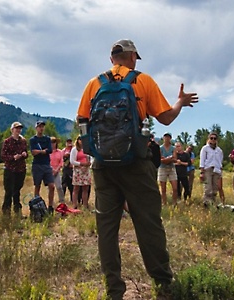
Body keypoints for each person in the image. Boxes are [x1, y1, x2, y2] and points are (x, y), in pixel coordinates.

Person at [77, 39, 198, 299]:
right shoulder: (142, 81)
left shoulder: (93, 84)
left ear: (112, 59)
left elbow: (82, 121)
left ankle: (114, 289)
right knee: (148, 223)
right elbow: (165, 117)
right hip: (135, 163)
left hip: (102, 166)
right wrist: (179, 102)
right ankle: (163, 284)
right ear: (132, 57)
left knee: (107, 228)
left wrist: (95, 152)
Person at [0, 121, 28, 216]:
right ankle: (6, 213)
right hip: (10, 169)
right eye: (16, 128)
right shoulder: (7, 141)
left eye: (20, 128)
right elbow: (3, 156)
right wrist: (13, 157)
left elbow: (26, 153)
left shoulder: (23, 141)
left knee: (17, 191)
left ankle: (17, 212)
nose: (18, 130)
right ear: (12, 130)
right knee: (9, 192)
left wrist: (24, 154)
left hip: (21, 169)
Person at [30, 120, 55, 215]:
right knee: (37, 185)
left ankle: (50, 206)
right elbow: (33, 152)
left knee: (51, 186)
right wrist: (43, 151)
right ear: (36, 128)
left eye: (42, 126)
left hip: (46, 164)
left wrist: (40, 152)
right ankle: (36, 206)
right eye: (39, 126)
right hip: (37, 165)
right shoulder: (33, 140)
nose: (41, 128)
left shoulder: (47, 139)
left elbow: (50, 150)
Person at [199, 132, 225, 207]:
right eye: (211, 138)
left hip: (216, 170)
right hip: (208, 169)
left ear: (217, 140)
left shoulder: (219, 150)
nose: (213, 140)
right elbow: (202, 160)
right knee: (208, 188)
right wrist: (202, 172)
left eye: (215, 138)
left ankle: (212, 204)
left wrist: (220, 172)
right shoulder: (205, 148)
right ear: (209, 139)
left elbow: (220, 161)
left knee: (214, 189)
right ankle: (206, 204)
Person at [70, 136, 91, 209]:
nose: (81, 141)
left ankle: (85, 205)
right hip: (78, 170)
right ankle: (74, 205)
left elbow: (90, 158)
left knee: (86, 188)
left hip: (86, 170)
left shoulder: (87, 148)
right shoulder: (74, 149)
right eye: (80, 139)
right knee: (76, 188)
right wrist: (81, 164)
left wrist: (88, 164)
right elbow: (72, 161)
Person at [158, 132, 178, 205]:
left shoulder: (173, 148)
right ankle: (164, 202)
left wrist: (166, 159)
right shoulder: (160, 148)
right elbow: (160, 159)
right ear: (163, 138)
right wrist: (170, 158)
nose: (166, 139)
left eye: (168, 137)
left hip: (171, 168)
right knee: (163, 189)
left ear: (170, 138)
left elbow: (175, 158)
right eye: (165, 137)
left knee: (175, 188)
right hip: (162, 168)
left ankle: (174, 203)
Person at [50, 136, 67, 205]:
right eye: (51, 142)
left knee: (59, 187)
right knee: (51, 188)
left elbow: (61, 161)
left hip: (57, 171)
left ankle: (62, 201)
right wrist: (51, 169)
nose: (53, 144)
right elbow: (46, 161)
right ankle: (51, 203)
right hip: (49, 172)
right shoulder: (47, 152)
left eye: (54, 142)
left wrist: (57, 169)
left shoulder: (60, 152)